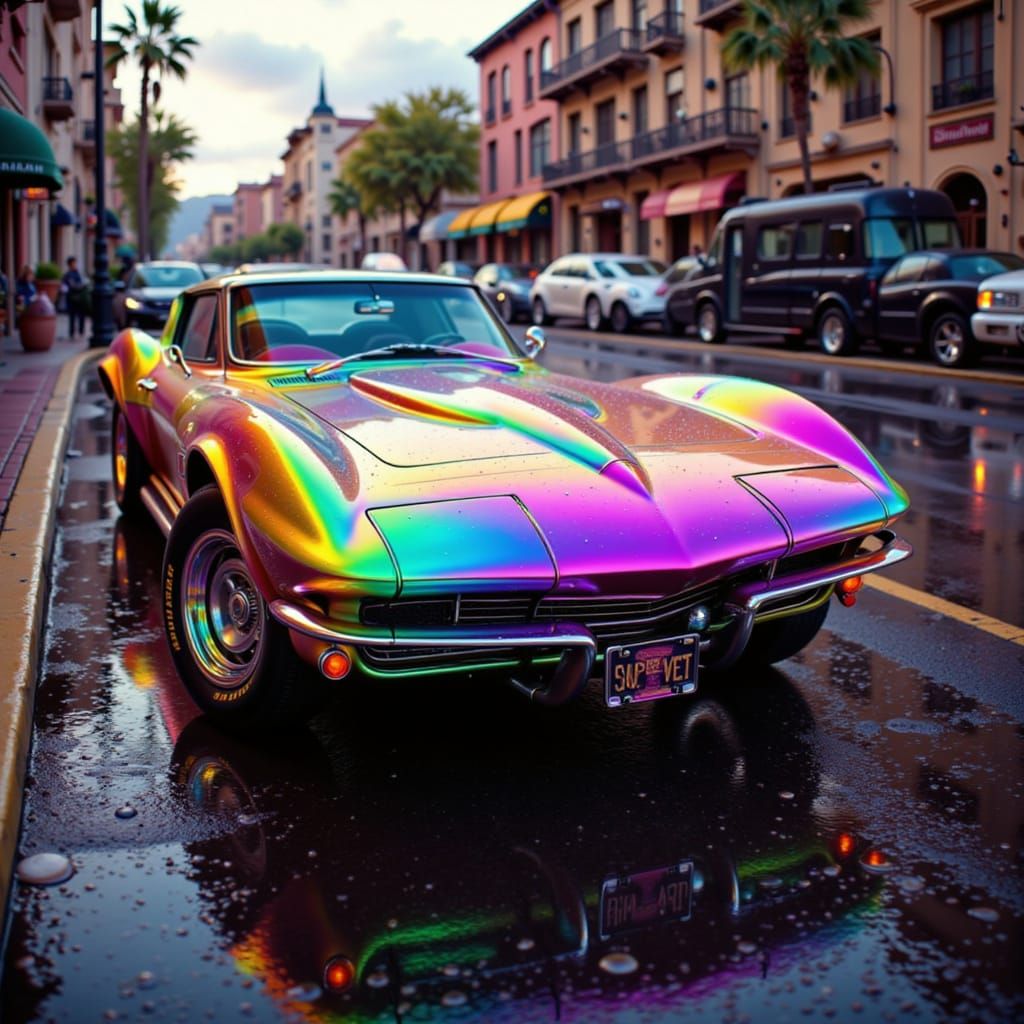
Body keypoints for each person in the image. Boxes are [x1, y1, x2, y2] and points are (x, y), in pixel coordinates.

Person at [61, 256, 89, 339]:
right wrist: (82, 285)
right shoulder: (68, 275)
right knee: (72, 316)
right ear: (70, 264)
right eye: (74, 263)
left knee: (81, 315)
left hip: (79, 298)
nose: (75, 265)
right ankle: (72, 332)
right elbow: (72, 286)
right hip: (72, 298)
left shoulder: (78, 273)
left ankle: (81, 331)